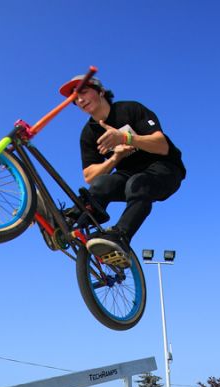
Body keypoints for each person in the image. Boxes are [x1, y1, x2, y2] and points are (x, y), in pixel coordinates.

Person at [59, 75, 186, 268]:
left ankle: (121, 237)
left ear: (100, 91)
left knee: (138, 183)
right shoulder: (89, 133)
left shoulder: (129, 109)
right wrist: (115, 158)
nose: (80, 100)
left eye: (83, 92)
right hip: (128, 174)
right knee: (102, 184)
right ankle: (69, 220)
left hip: (165, 169)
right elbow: (90, 176)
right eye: (75, 99)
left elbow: (162, 145)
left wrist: (125, 138)